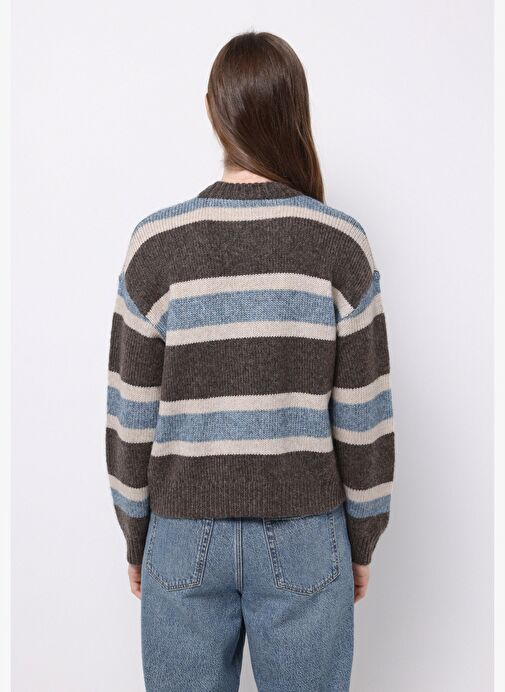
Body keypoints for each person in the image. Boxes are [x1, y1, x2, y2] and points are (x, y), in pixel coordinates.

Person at [105, 30, 395, 692]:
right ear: (295, 112)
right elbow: (364, 416)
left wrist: (136, 533)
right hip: (306, 536)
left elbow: (130, 417)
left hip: (181, 536)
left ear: (215, 110)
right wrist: (362, 536)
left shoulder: (156, 245)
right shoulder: (339, 243)